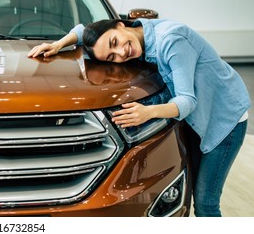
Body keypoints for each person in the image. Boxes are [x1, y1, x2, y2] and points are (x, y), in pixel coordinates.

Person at [28, 18, 250, 217]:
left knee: (206, 202)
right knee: (189, 195)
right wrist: (59, 44)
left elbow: (188, 101)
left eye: (115, 42)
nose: (121, 54)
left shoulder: (171, 41)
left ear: (120, 25)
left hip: (224, 117)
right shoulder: (132, 34)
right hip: (196, 119)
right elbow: (82, 29)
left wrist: (147, 112)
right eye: (111, 57)